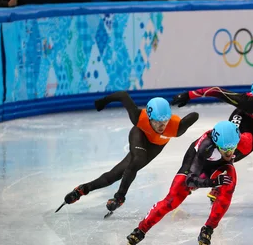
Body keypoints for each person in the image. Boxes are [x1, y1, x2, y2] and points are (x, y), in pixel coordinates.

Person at [56, 91, 199, 217]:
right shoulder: (138, 117)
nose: (162, 126)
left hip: (155, 146)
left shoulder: (177, 127)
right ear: (149, 117)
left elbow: (195, 115)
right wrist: (102, 101)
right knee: (137, 160)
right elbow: (123, 95)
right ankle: (120, 197)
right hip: (140, 135)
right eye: (157, 122)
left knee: (114, 175)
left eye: (165, 122)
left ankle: (83, 189)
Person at [122, 120, 247, 245]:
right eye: (224, 149)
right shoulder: (206, 147)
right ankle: (141, 230)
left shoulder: (240, 140)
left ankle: (208, 229)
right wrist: (212, 183)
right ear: (216, 143)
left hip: (217, 167)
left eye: (232, 148)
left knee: (230, 180)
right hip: (194, 168)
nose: (229, 153)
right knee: (171, 201)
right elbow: (190, 181)